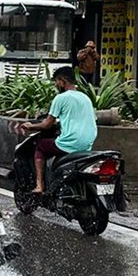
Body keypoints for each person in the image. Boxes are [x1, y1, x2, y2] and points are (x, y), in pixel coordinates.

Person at [21, 65, 97, 195]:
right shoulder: (85, 98)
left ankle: (39, 185)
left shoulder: (60, 98)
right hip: (87, 143)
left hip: (70, 142)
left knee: (40, 146)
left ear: (62, 81)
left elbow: (46, 125)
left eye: (56, 81)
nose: (56, 85)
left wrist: (30, 126)